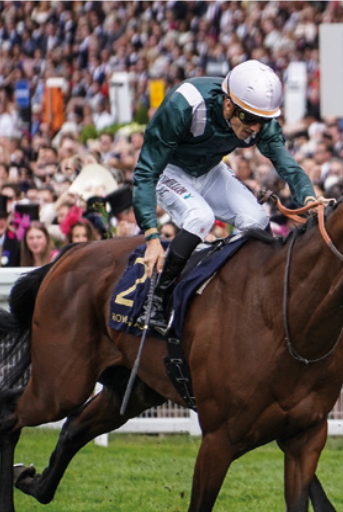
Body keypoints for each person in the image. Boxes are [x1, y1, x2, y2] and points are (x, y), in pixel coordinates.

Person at [133, 60, 316, 333]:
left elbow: (287, 165)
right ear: (228, 105)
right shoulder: (185, 103)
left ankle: (238, 289)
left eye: (263, 121)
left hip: (210, 169)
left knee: (257, 220)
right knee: (200, 217)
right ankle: (156, 296)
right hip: (169, 171)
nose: (256, 128)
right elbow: (145, 171)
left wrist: (309, 199)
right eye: (250, 120)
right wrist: (151, 235)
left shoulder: (258, 120)